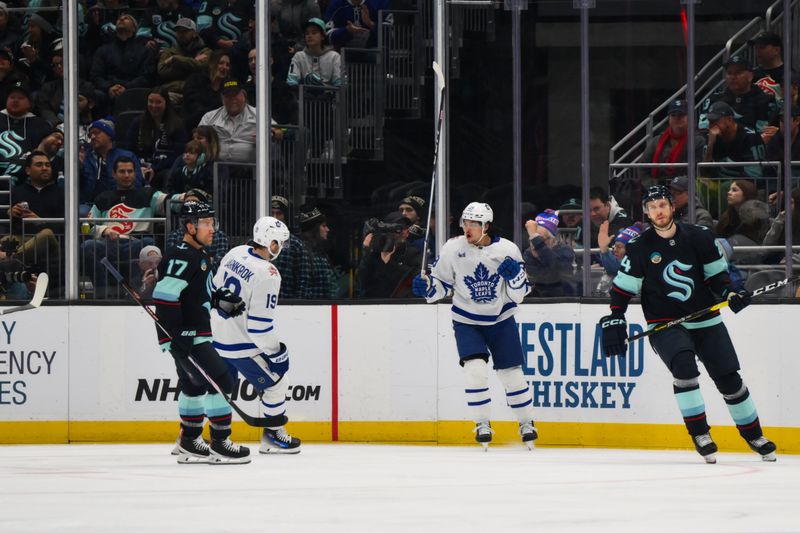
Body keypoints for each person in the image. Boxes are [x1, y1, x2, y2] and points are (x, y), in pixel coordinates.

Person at [598, 185, 777, 463]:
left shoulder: (700, 237)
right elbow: (622, 289)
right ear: (647, 212)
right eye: (652, 207)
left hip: (704, 317)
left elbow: (718, 278)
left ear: (672, 207)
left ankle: (754, 435)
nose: (658, 211)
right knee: (684, 368)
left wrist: (730, 293)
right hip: (665, 324)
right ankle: (700, 434)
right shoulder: (640, 247)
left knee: (729, 379)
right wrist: (616, 316)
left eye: (662, 205)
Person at [411, 202, 537, 450]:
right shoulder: (452, 248)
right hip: (467, 320)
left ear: (485, 226)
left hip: (501, 320)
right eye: (465, 223)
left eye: (473, 224)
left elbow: (520, 294)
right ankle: (482, 423)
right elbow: (441, 285)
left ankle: (526, 423)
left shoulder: (507, 249)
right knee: (475, 370)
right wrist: (428, 289)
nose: (467, 228)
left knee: (512, 375)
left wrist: (516, 277)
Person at [153, 201, 251, 464]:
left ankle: (189, 442)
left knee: (193, 385)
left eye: (212, 222)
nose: (212, 229)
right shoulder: (182, 255)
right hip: (188, 336)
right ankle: (220, 443)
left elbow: (193, 292)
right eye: (206, 223)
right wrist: (178, 335)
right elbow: (164, 296)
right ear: (189, 226)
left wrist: (218, 298)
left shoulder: (197, 254)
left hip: (190, 335)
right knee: (222, 380)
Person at [211, 216, 302, 454]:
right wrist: (277, 354)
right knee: (277, 384)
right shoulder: (268, 273)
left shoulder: (236, 252)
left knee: (219, 388)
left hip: (216, 337)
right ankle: (273, 435)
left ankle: (189, 437)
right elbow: (259, 327)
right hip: (241, 345)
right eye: (278, 243)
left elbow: (214, 290)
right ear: (269, 241)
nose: (280, 248)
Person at [127, 86, 188, 189]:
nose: (154, 106)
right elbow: (129, 149)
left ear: (166, 103)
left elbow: (179, 154)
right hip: (140, 167)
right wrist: (138, 167)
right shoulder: (137, 123)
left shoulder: (177, 124)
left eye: (158, 102)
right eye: (151, 101)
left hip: (165, 167)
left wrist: (155, 169)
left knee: (168, 176)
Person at [699, 55, 777, 135]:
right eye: (729, 73)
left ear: (750, 76)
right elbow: (703, 129)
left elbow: (764, 134)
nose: (733, 77)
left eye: (738, 73)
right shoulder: (714, 98)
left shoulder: (765, 100)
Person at [89, 14, 156, 101]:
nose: (121, 19)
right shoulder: (103, 50)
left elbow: (147, 76)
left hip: (134, 92)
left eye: (126, 18)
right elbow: (96, 75)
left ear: (134, 28)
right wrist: (109, 88)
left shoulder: (144, 51)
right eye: (119, 18)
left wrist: (127, 88)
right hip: (108, 92)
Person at [638, 99, 705, 186]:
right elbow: (643, 168)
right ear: (669, 119)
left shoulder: (697, 141)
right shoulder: (657, 141)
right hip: (658, 188)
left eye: (681, 115)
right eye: (673, 115)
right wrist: (651, 187)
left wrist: (680, 188)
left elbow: (696, 171)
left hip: (684, 189)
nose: (677, 118)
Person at [357, 211, 422, 298]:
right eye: (398, 228)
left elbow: (412, 280)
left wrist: (389, 262)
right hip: (373, 305)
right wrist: (366, 251)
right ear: (387, 229)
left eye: (406, 227)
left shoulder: (412, 253)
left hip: (402, 305)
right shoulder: (375, 252)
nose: (403, 231)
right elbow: (361, 281)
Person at [166, 190, 230, 270]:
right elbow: (171, 261)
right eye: (187, 203)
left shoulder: (220, 236)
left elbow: (220, 263)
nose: (190, 207)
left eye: (194, 202)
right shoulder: (175, 235)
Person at [702, 101, 766, 179]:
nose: (710, 126)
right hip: (722, 182)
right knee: (699, 185)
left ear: (729, 120)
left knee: (725, 187)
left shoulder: (750, 136)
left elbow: (756, 174)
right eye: (709, 122)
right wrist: (710, 145)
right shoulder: (712, 137)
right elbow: (704, 172)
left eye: (714, 122)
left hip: (747, 185)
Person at [198, 78, 257, 162]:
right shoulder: (209, 117)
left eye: (235, 94)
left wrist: (274, 133)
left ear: (244, 95)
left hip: (252, 170)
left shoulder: (260, 115)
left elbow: (277, 131)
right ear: (222, 98)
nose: (232, 98)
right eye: (228, 95)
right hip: (215, 169)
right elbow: (197, 140)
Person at [522, 209, 576, 297]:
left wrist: (538, 243)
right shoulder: (528, 253)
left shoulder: (565, 250)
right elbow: (534, 279)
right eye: (532, 239)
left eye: (541, 239)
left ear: (553, 240)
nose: (534, 244)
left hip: (563, 299)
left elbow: (554, 273)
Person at [269, 195, 312, 299]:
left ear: (285, 216)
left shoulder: (296, 245)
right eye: (272, 213)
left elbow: (303, 281)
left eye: (278, 213)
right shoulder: (255, 242)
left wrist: (294, 306)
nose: (275, 218)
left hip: (287, 305)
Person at [157, 17, 211, 95]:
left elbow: (202, 67)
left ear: (194, 33)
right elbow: (162, 72)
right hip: (172, 91)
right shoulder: (168, 52)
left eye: (185, 31)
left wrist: (175, 59)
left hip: (197, 92)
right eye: (178, 31)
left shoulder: (205, 51)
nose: (181, 34)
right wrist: (192, 62)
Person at [286, 18, 342, 88]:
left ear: (322, 36)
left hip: (329, 96)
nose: (309, 36)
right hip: (304, 97)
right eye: (307, 33)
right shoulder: (299, 56)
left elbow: (340, 84)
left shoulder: (334, 56)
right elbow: (291, 82)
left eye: (314, 33)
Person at [748, 31, 786, 102]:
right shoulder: (752, 75)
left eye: (762, 47)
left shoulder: (789, 76)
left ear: (776, 50)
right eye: (756, 48)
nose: (757, 51)